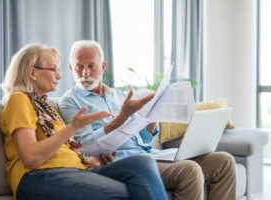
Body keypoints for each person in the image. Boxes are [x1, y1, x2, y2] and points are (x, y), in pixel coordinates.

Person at [58, 40, 237, 200]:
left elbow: (142, 138)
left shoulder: (119, 96)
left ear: (103, 66)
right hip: (122, 162)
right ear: (71, 68)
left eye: (91, 66)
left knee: (224, 162)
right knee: (189, 170)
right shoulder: (69, 101)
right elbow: (83, 144)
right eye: (79, 67)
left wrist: (151, 121)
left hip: (149, 155)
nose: (85, 73)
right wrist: (120, 118)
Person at [0, 43, 168, 200]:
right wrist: (73, 127)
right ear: (32, 73)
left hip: (75, 170)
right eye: (53, 69)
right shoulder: (19, 100)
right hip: (38, 175)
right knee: (129, 193)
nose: (59, 75)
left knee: (142, 162)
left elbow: (65, 149)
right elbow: (30, 157)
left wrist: (94, 160)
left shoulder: (46, 107)